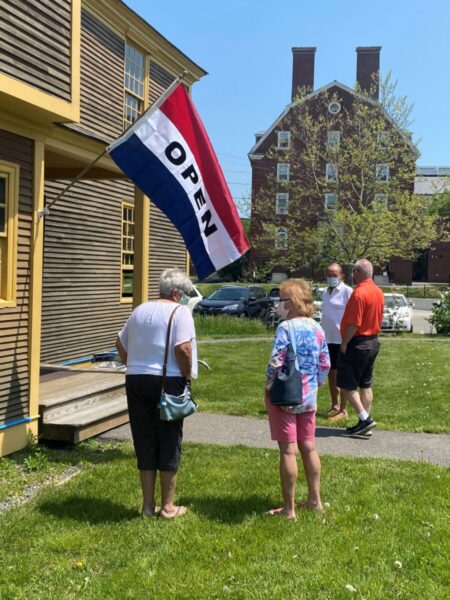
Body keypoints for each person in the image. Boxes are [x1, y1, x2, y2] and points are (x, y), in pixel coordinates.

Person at [116, 268, 197, 519]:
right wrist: (185, 375)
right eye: (185, 294)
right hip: (167, 380)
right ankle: (168, 506)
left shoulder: (140, 309)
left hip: (136, 379)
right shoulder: (180, 311)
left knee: (144, 439)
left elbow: (120, 343)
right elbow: (183, 349)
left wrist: (136, 363)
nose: (186, 299)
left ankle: (148, 506)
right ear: (176, 293)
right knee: (169, 439)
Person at [264, 279, 330, 520]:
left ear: (291, 302)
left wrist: (268, 387)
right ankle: (315, 500)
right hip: (309, 397)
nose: (278, 305)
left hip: (285, 396)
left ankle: (289, 509)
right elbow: (326, 364)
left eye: (281, 300)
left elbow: (276, 362)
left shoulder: (285, 328)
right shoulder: (317, 328)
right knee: (309, 447)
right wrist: (315, 385)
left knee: (288, 451)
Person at [337, 259, 384, 436]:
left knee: (346, 383)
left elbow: (354, 323)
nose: (352, 274)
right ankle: (364, 425)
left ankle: (365, 419)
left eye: (354, 271)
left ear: (359, 272)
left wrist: (345, 342)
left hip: (358, 342)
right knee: (365, 384)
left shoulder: (359, 294)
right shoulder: (378, 292)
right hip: (373, 341)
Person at [321, 263, 353, 421]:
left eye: (334, 275)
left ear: (341, 275)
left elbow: (353, 315)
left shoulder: (347, 291)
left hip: (342, 340)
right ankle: (334, 404)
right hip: (328, 339)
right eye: (328, 274)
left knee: (343, 374)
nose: (331, 278)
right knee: (331, 373)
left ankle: (343, 409)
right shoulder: (325, 292)